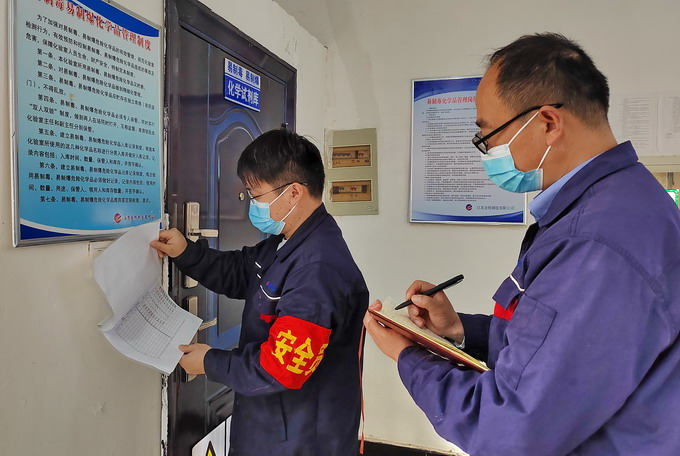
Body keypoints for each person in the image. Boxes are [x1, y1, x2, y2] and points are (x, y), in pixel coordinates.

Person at [364, 33, 680, 456]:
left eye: (487, 136)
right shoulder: (618, 203)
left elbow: (510, 430)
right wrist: (457, 330)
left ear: (548, 123)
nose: (486, 152)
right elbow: (546, 350)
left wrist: (409, 356)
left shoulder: (597, 244)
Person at [151, 129, 368, 456]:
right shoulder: (289, 241)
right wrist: (185, 252)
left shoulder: (318, 269)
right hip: (275, 420)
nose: (252, 204)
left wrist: (210, 362)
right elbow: (240, 271)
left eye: (256, 194)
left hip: (301, 436)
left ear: (293, 193)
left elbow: (281, 366)